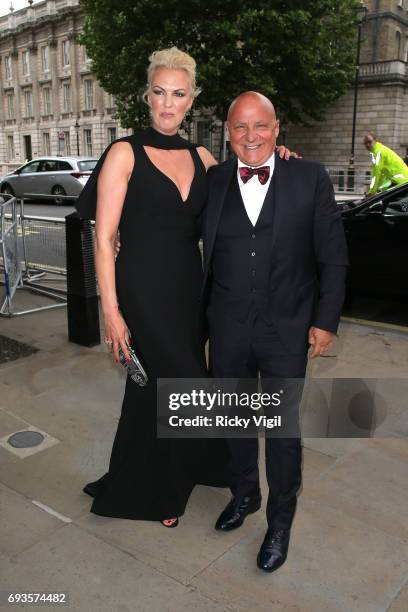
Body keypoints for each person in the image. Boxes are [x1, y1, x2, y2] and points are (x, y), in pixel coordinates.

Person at [76, 49, 292, 528]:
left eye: (178, 94)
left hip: (190, 293)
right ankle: (159, 492)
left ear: (191, 100)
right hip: (140, 290)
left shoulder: (203, 156)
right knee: (178, 385)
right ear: (147, 96)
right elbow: (104, 238)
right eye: (159, 92)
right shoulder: (123, 152)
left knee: (157, 391)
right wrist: (109, 311)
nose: (168, 103)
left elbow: (245, 189)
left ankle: (146, 473)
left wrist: (277, 159)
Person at [202, 92, 348, 572]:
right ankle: (245, 495)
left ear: (277, 128)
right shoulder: (215, 180)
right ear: (228, 132)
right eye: (240, 128)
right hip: (227, 327)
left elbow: (332, 255)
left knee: (282, 433)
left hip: (286, 328)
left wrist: (325, 320)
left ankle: (280, 523)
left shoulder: (310, 177)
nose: (250, 137)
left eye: (259, 126)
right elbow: (175, 229)